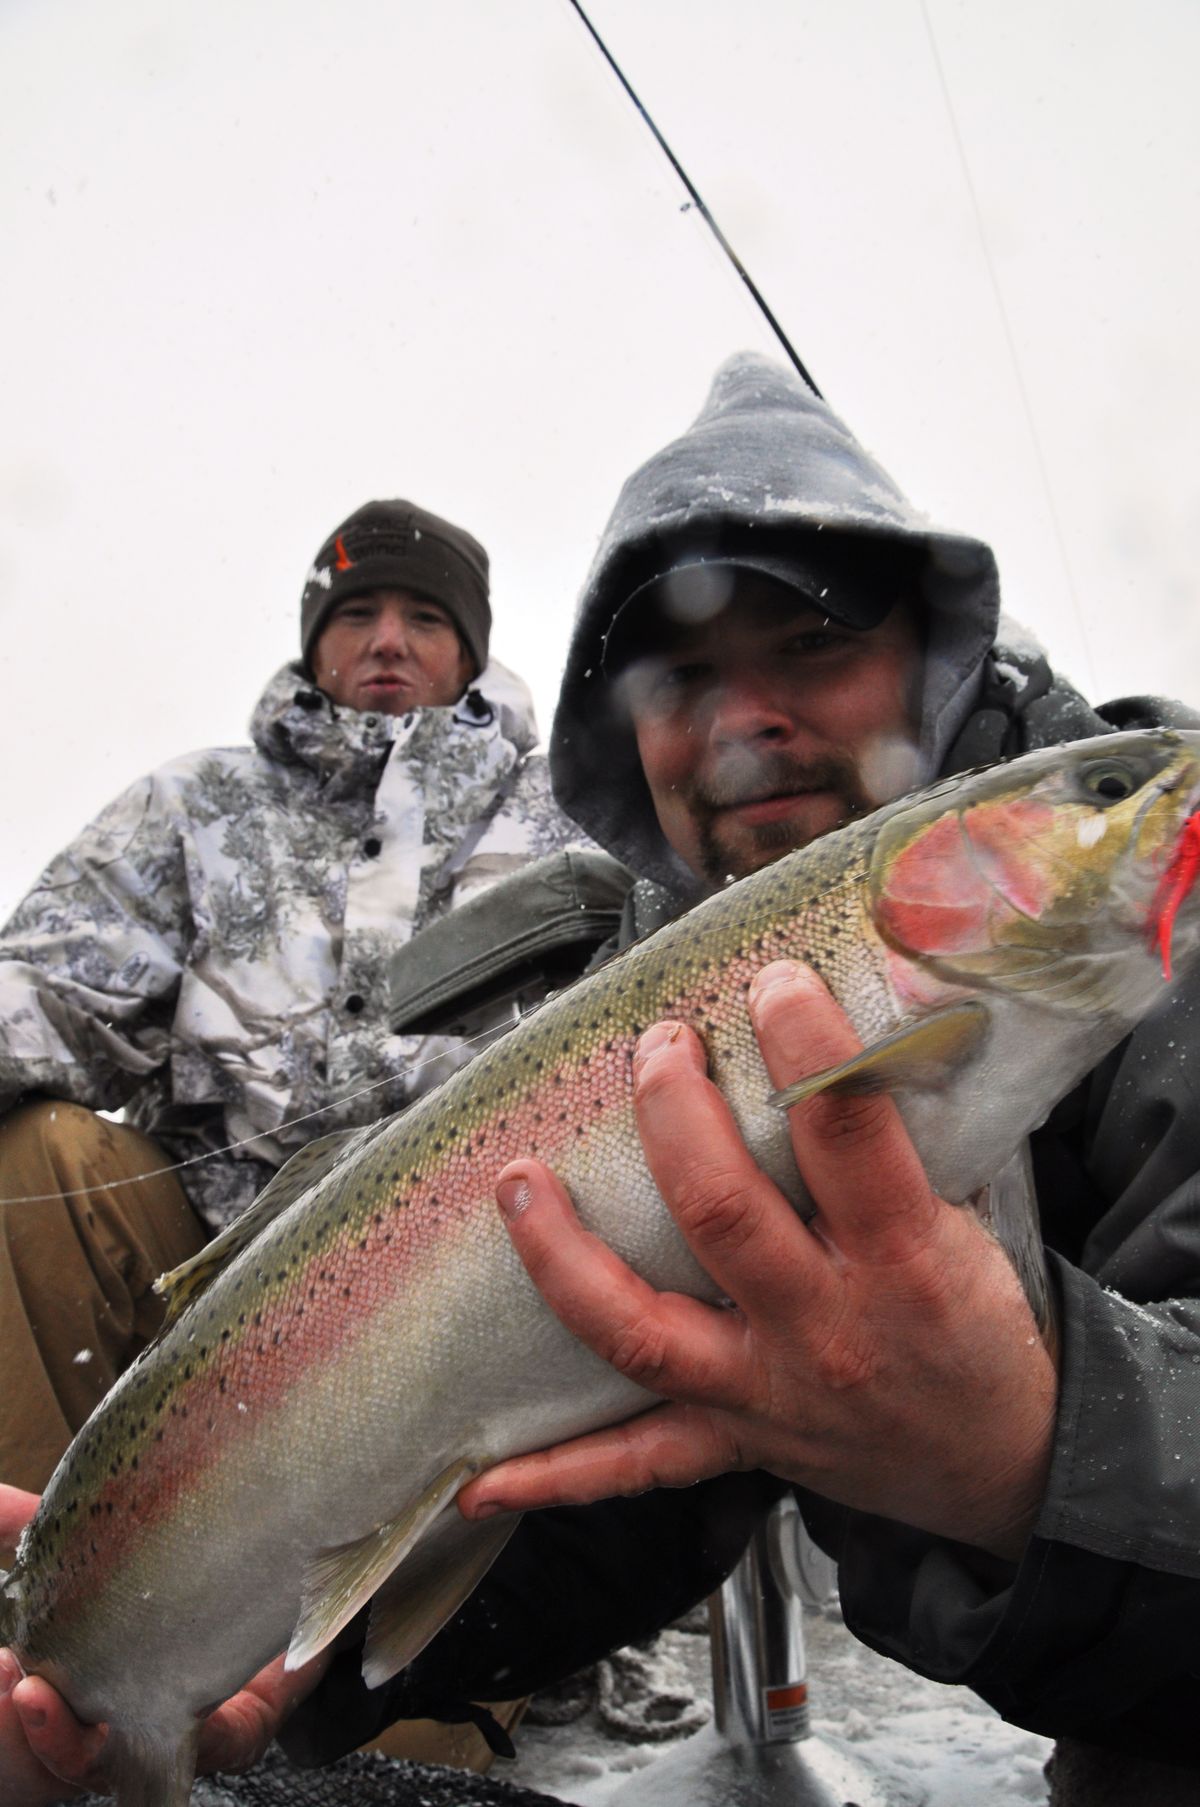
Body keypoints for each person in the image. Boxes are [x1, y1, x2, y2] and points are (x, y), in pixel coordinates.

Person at [4, 359, 1199, 1804]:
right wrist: (280, 1641)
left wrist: (1026, 1449)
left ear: (936, 661)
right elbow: (621, 1483)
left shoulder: (1145, 909)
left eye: (811, 637)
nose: (744, 716)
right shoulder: (639, 970)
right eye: (682, 674)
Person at [0, 494, 585, 1498]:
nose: (388, 639)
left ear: (472, 648)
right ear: (317, 640)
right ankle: (51, 1594)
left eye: (426, 617)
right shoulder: (196, 806)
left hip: (479, 1286)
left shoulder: (564, 813)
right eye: (357, 613)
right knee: (39, 1157)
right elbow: (48, 986)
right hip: (207, 1292)